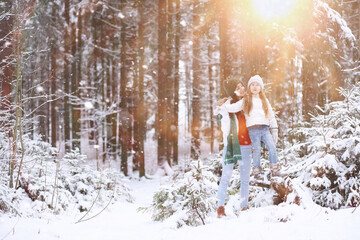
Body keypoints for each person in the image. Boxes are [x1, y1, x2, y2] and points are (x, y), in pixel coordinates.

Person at [223, 75, 280, 179]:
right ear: (249, 87)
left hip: (265, 129)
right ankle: (257, 171)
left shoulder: (264, 100)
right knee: (257, 149)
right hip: (253, 130)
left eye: (257, 85)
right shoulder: (246, 99)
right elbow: (234, 107)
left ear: (261, 87)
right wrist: (223, 107)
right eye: (252, 85)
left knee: (272, 147)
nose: (255, 87)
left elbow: (271, 115)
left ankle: (275, 170)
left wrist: (274, 129)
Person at [214, 78, 252, 218]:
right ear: (232, 91)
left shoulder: (248, 104)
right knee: (226, 177)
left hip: (246, 145)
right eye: (238, 87)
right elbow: (225, 128)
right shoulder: (226, 108)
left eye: (242, 86)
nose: (242, 89)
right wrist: (226, 108)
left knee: (245, 178)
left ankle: (244, 207)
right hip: (231, 146)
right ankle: (220, 208)